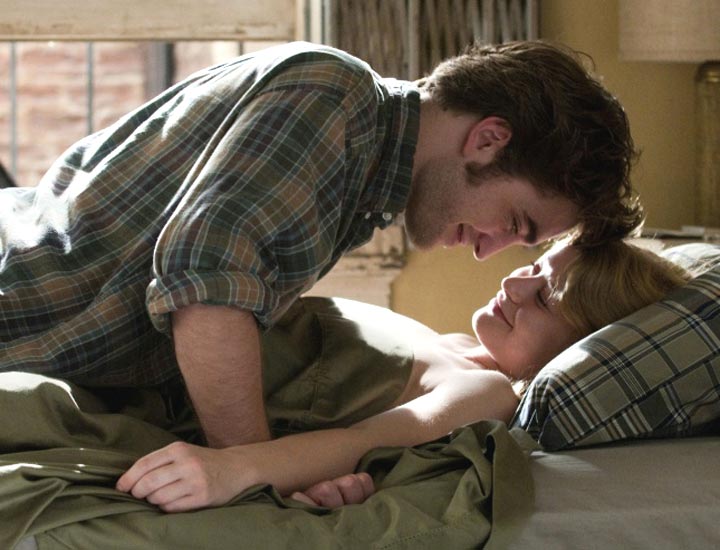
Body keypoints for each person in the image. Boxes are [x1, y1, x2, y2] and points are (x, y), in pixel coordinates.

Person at [0, 40, 642, 449]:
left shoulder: (361, 180)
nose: (487, 251)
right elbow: (206, 283)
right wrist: (248, 475)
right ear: (487, 140)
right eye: (515, 222)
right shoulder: (335, 99)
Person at [115, 238, 691, 512]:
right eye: (534, 265)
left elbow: (360, 441)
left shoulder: (486, 391)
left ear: (578, 345)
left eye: (545, 297)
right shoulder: (460, 348)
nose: (514, 284)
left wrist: (233, 469)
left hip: (153, 390)